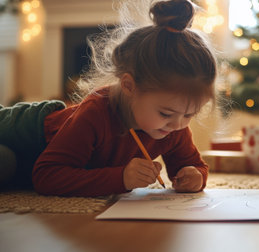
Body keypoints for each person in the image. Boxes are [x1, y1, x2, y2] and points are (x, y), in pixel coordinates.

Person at [0, 0, 217, 197]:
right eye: (166, 113)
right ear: (129, 86)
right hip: (19, 134)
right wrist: (120, 178)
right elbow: (47, 176)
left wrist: (195, 176)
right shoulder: (96, 112)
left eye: (190, 114)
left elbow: (191, 165)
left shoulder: (173, 126)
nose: (180, 124)